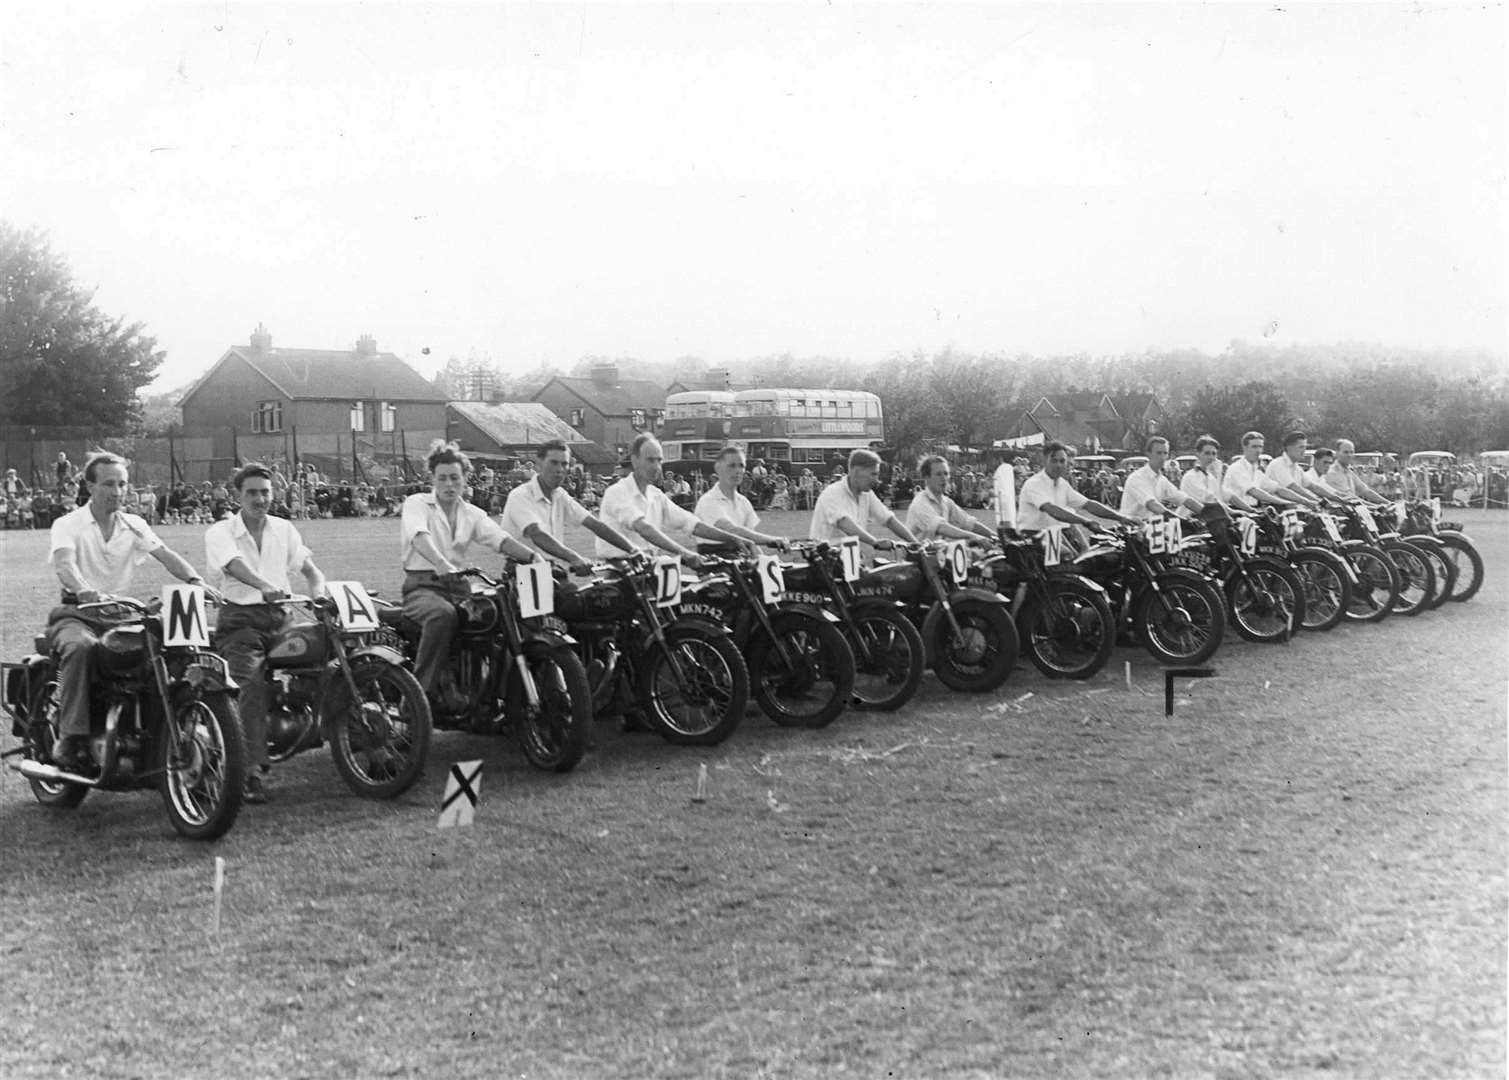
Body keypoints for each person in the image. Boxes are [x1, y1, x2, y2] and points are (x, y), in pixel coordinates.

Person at [45, 453, 220, 771]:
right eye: (109, 483)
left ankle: (159, 735)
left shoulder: (134, 525)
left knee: (164, 649)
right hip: (77, 612)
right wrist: (84, 588)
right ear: (90, 485)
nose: (117, 491)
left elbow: (165, 554)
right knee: (80, 647)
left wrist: (196, 581)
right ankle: (69, 737)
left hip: (120, 614)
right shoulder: (68, 524)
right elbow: (64, 564)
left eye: (123, 484)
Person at [205, 464, 328, 804]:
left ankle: (354, 740)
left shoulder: (284, 529)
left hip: (281, 617)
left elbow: (310, 569)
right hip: (240, 622)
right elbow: (232, 565)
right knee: (249, 685)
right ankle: (249, 772)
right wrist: (264, 586)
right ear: (238, 496)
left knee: (329, 655)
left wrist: (319, 592)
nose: (260, 499)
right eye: (252, 493)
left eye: (265, 492)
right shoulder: (221, 531)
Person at [401, 441, 542, 712]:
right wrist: (441, 563)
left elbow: (500, 539)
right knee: (442, 615)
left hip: (459, 586)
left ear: (465, 479)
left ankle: (501, 697)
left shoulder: (473, 513)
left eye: (455, 477)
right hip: (422, 587)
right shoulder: (417, 503)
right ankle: (418, 699)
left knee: (503, 611)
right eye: (442, 478)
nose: (449, 484)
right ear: (432, 479)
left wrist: (533, 557)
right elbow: (419, 536)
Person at [596, 434, 741, 561]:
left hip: (649, 567)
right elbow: (643, 528)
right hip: (621, 572)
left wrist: (732, 538)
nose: (656, 467)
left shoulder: (656, 495)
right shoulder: (617, 492)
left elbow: (690, 523)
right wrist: (683, 552)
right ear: (635, 460)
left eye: (659, 460)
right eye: (650, 460)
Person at [501, 440, 637, 572]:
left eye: (564, 464)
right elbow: (537, 534)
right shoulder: (520, 495)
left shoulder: (560, 495)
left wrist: (633, 550)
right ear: (539, 464)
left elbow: (595, 525)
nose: (559, 469)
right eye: (553, 463)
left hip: (549, 567)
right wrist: (575, 558)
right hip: (522, 570)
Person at [1017, 442, 1135, 541]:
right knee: (1072, 564)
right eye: (1054, 461)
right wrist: (1085, 521)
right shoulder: (1035, 483)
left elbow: (1088, 504)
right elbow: (1052, 510)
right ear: (1044, 460)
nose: (1058, 465)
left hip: (1056, 535)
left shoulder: (1062, 484)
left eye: (1062, 461)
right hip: (1034, 537)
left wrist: (1121, 517)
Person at [809, 448, 918, 553]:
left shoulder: (867, 495)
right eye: (873, 474)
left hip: (849, 560)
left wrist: (916, 544)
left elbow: (888, 519)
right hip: (825, 563)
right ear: (856, 472)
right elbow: (845, 524)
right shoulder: (833, 492)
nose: (876, 480)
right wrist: (874, 542)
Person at [693, 446, 792, 554]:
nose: (737, 471)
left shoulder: (744, 502)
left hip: (741, 560)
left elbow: (751, 541)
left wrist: (766, 562)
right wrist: (772, 540)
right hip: (717, 563)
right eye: (731, 466)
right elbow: (732, 530)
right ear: (718, 468)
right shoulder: (708, 501)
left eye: (741, 466)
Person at [1118, 437, 1212, 521]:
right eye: (1158, 453)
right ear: (1148, 454)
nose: (1162, 457)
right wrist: (1180, 520)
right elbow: (1152, 505)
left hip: (1151, 528)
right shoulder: (1137, 478)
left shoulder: (1161, 480)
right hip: (1130, 530)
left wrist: (1209, 514)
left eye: (1165, 453)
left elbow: (1184, 499)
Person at [906, 456, 995, 543]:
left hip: (936, 555)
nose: (944, 478)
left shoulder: (947, 502)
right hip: (915, 556)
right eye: (938, 474)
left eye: (946, 473)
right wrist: (975, 537)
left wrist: (995, 537)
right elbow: (942, 528)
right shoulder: (920, 503)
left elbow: (968, 523)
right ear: (926, 477)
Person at [1182, 435, 1255, 512]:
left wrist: (1251, 510)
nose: (1211, 457)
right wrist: (1233, 512)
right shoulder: (1191, 477)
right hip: (1191, 519)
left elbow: (1229, 496)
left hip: (1212, 519)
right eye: (1207, 453)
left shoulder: (1211, 477)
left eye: (1214, 454)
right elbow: (1211, 501)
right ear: (1198, 454)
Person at [1224, 431, 1298, 507]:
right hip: (1237, 511)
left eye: (1260, 447)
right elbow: (1254, 492)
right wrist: (1283, 502)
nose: (1258, 451)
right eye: (1254, 447)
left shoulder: (1256, 471)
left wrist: (1305, 501)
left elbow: (1278, 489)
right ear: (1244, 447)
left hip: (1253, 510)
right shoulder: (1236, 468)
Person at [1265, 431, 1326, 507]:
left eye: (1305, 447)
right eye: (1301, 447)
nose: (1304, 450)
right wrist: (1318, 502)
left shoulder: (1297, 468)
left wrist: (1334, 499)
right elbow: (1293, 487)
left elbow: (1313, 486)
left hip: (1296, 510)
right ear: (1289, 448)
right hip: (1279, 512)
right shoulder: (1277, 464)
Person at [1322, 439, 1389, 504]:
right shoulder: (1332, 473)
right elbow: (1350, 498)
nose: (1349, 455)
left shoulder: (1349, 472)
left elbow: (1365, 491)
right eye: (1346, 452)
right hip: (1338, 512)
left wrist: (1389, 503)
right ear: (1337, 453)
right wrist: (1375, 506)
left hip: (1351, 510)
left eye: (1351, 452)